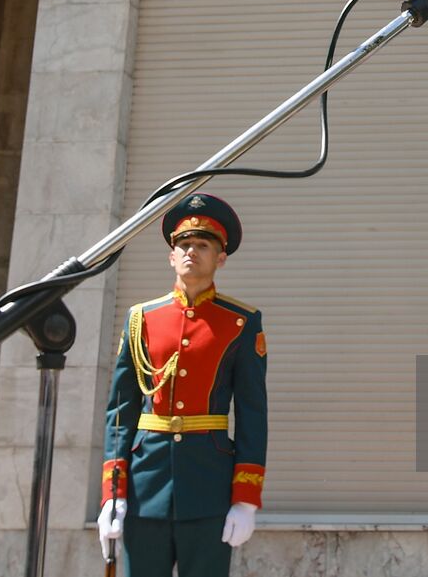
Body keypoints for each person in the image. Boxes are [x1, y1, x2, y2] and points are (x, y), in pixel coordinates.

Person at [98, 193, 267, 577]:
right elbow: (121, 410)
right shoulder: (140, 319)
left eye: (203, 245)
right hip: (145, 485)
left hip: (209, 487)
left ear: (220, 258)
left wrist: (245, 499)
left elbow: (253, 414)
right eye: (184, 245)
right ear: (171, 256)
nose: (192, 251)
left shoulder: (241, 323)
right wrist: (114, 493)